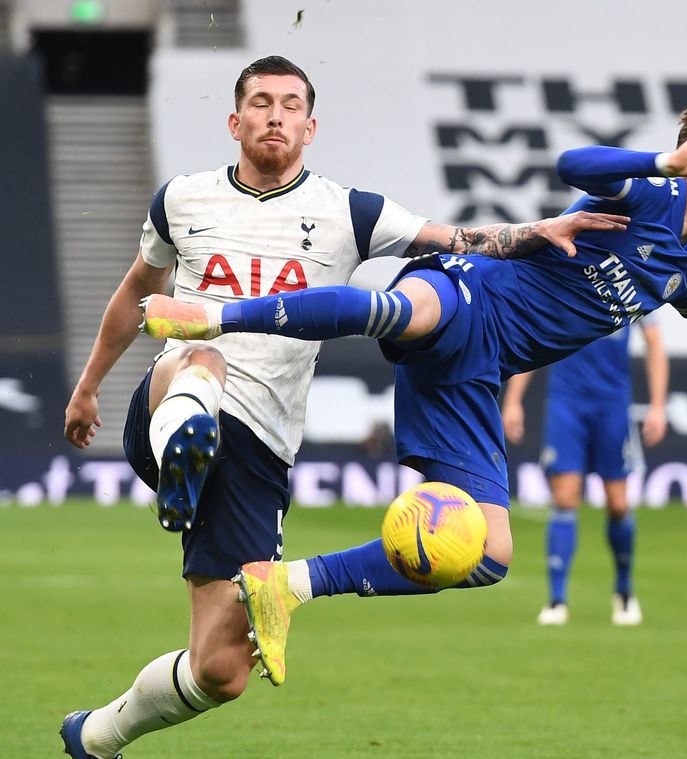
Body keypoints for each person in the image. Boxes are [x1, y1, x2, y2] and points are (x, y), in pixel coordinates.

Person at [141, 102, 687, 687]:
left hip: (476, 375)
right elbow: (575, 160)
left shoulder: (682, 270)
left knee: (490, 554)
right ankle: (212, 315)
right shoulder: (646, 197)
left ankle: (286, 584)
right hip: (469, 295)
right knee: (402, 310)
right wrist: (662, 161)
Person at [57, 55, 624, 759]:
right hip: (175, 396)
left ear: (310, 126)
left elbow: (459, 240)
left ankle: (98, 734)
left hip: (258, 451)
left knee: (220, 669)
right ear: (234, 122)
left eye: (290, 105)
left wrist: (534, 230)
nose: (274, 115)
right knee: (201, 355)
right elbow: (134, 291)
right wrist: (89, 387)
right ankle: (182, 461)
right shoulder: (182, 198)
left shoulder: (347, 212)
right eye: (260, 102)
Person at [500, 312, 669, 626]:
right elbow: (536, 340)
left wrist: (658, 406)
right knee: (565, 500)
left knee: (618, 503)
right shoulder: (563, 281)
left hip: (613, 406)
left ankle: (623, 590)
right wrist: (513, 401)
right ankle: (556, 600)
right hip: (567, 405)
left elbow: (655, 343)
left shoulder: (630, 281)